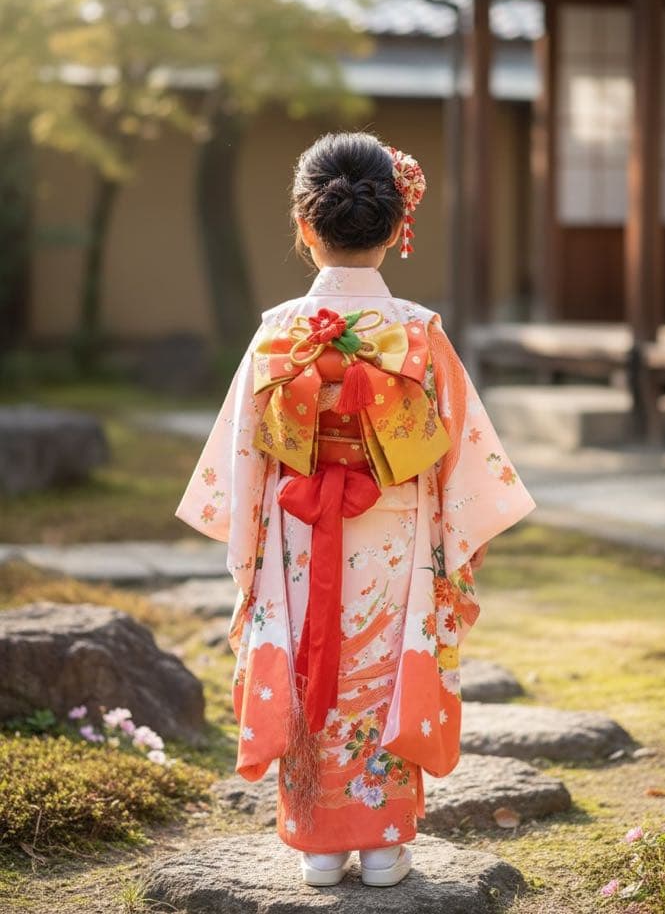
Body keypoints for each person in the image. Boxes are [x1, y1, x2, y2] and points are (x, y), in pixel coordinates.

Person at [174, 131, 537, 888]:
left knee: (307, 666)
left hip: (295, 538)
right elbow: (466, 466)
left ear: (305, 228)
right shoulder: (421, 332)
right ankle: (382, 845)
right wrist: (453, 555)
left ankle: (317, 845)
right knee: (383, 671)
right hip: (397, 538)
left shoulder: (277, 332)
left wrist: (249, 559)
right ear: (399, 224)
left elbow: (242, 466)